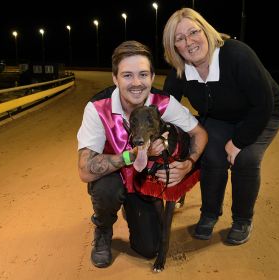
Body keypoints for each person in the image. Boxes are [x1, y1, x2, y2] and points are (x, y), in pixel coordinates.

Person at [77, 40, 207, 268]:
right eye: (127, 75)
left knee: (149, 249)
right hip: (114, 177)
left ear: (152, 76)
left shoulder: (164, 102)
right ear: (115, 78)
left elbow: (199, 133)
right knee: (106, 188)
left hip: (143, 182)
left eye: (143, 75)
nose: (137, 83)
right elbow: (85, 170)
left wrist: (188, 163)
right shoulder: (98, 107)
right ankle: (103, 229)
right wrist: (132, 155)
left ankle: (133, 210)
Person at [162, 8, 279, 245]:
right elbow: (165, 106)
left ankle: (242, 219)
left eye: (193, 32)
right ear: (173, 46)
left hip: (261, 111)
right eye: (179, 38)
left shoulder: (236, 55)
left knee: (246, 158)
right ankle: (209, 213)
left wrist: (238, 143)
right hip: (220, 116)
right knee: (210, 153)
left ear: (205, 30)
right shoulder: (181, 71)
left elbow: (264, 102)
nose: (189, 42)